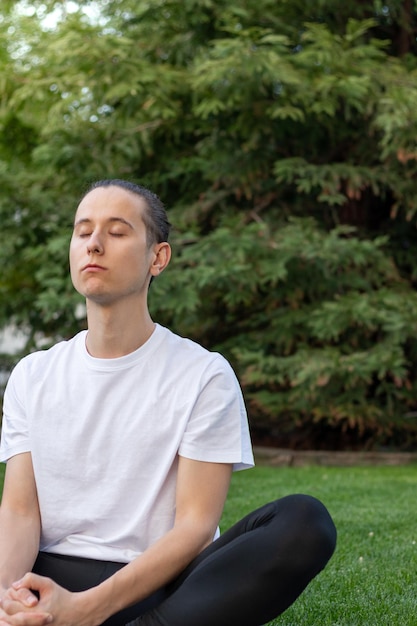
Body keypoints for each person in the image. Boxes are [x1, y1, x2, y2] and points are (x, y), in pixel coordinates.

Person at [0, 179, 337, 626]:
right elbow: (21, 512)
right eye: (83, 231)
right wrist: (8, 601)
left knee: (303, 521)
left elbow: (195, 527)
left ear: (157, 258)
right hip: (50, 575)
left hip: (158, 588)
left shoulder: (203, 374)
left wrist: (86, 609)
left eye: (117, 232)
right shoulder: (33, 374)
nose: (94, 245)